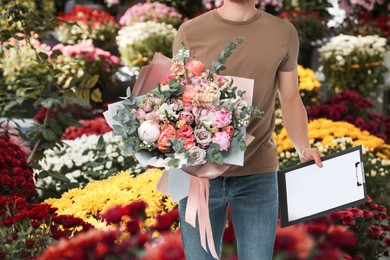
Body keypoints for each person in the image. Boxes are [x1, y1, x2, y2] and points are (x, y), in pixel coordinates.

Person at [173, 0, 324, 259]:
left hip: (257, 174)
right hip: (197, 177)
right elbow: (176, 102)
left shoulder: (283, 33)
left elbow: (290, 97)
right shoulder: (190, 32)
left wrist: (303, 146)